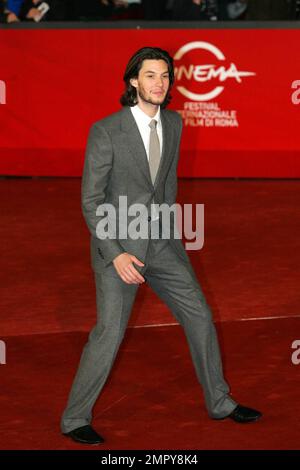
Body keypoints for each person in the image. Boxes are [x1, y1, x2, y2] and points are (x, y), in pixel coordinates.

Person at [61, 46, 262, 445]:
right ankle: (74, 418)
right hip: (118, 245)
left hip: (164, 244)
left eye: (165, 75)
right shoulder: (107, 131)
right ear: (133, 81)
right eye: (150, 75)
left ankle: (220, 402)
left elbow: (165, 186)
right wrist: (115, 253)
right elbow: (91, 200)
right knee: (110, 332)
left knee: (201, 316)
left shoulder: (173, 122)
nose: (159, 82)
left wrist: (171, 235)